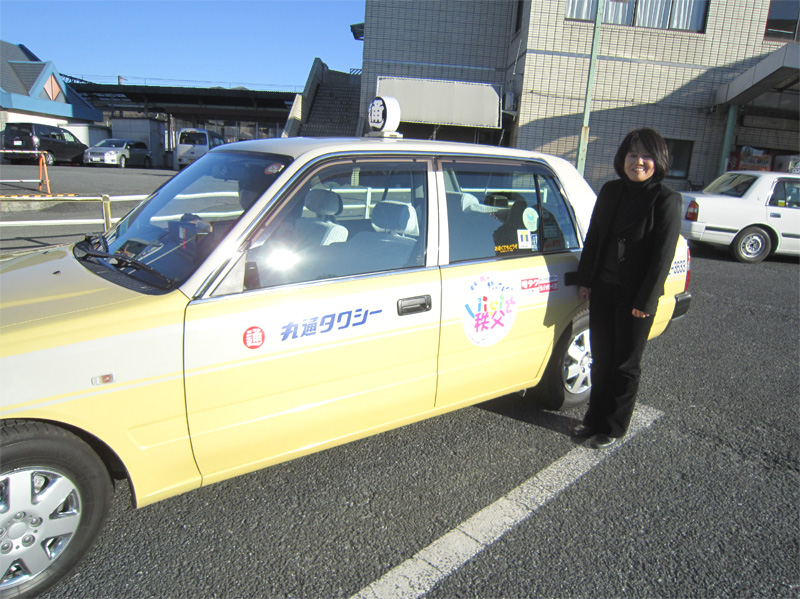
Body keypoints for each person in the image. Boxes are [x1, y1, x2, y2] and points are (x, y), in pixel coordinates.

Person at [572, 128, 682, 449]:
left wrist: (646, 299)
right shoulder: (610, 191)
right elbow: (594, 238)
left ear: (658, 161)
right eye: (633, 155)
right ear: (623, 158)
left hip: (637, 298)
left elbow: (663, 256)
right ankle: (593, 418)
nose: (639, 162)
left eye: (646, 156)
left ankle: (613, 426)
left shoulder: (666, 200)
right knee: (601, 357)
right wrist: (586, 279)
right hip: (604, 288)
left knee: (625, 364)